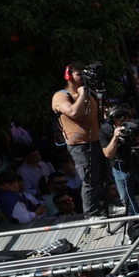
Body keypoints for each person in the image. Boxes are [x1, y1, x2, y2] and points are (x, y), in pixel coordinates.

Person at [51, 63, 106, 217]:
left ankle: (104, 207)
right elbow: (73, 112)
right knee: (89, 179)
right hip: (80, 144)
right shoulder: (61, 96)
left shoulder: (89, 93)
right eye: (79, 74)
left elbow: (101, 114)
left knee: (101, 177)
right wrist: (82, 94)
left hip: (97, 140)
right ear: (69, 76)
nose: (83, 77)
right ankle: (92, 214)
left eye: (84, 74)